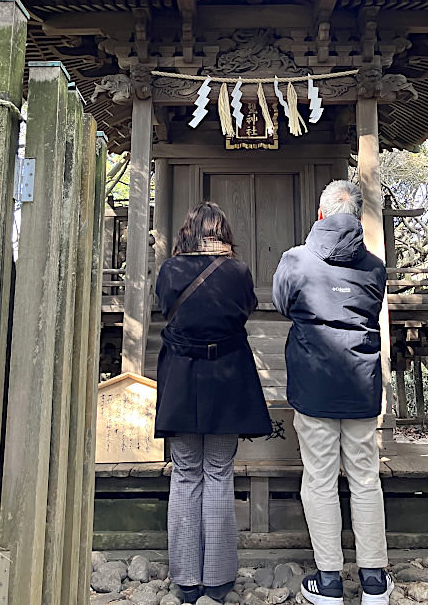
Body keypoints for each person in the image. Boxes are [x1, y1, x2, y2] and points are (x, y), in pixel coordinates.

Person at [272, 180, 393, 605]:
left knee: (319, 481)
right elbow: (372, 308)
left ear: (321, 215)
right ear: (358, 217)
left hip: (314, 386)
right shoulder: (374, 268)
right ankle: (375, 579)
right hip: (361, 388)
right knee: (365, 479)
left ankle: (328, 582)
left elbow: (283, 304)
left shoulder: (296, 260)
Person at [155, 202, 272, 604]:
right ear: (222, 231)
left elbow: (163, 308)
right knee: (219, 473)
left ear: (187, 231)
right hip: (227, 379)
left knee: (186, 474)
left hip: (183, 382)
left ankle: (187, 580)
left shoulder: (170, 271)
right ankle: (219, 579)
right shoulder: (237, 272)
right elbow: (246, 311)